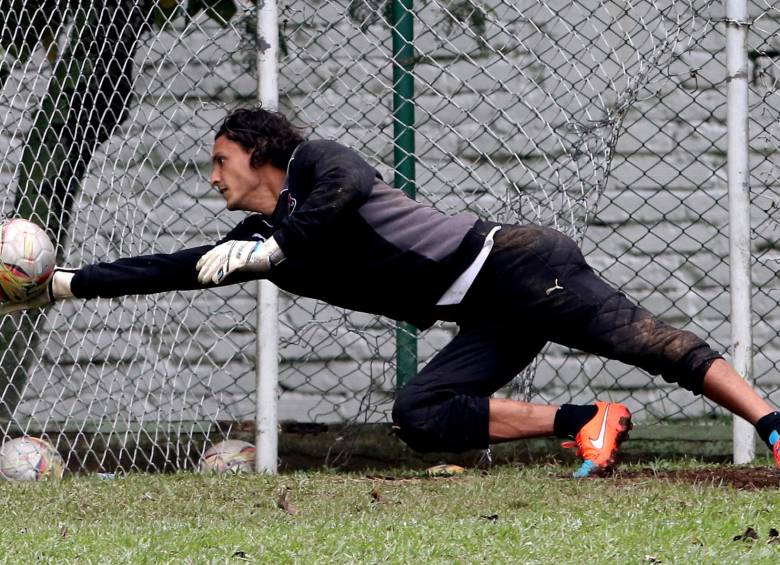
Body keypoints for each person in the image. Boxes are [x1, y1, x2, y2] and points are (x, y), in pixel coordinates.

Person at [5, 107, 780, 477]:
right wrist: (64, 284)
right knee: (420, 414)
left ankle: (774, 428)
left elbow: (342, 191)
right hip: (483, 310)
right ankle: (587, 420)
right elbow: (172, 266)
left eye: (221, 160)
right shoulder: (269, 247)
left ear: (260, 154)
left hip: (514, 264)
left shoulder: (316, 164)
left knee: (646, 342)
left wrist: (272, 246)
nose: (213, 177)